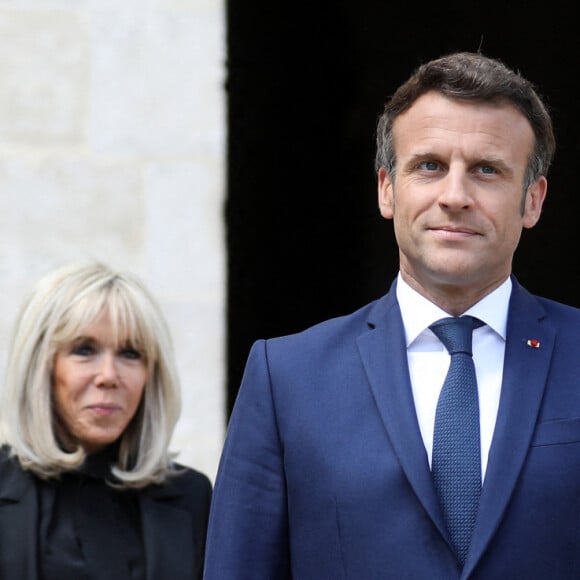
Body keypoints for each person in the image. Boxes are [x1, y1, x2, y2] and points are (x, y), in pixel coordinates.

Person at [203, 51, 580, 579]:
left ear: (532, 200)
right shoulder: (286, 377)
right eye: (429, 166)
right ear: (387, 188)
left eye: (486, 170)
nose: (455, 196)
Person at [0, 261, 212, 580]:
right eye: (84, 350)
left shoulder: (192, 497)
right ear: (40, 366)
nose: (109, 376)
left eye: (130, 354)